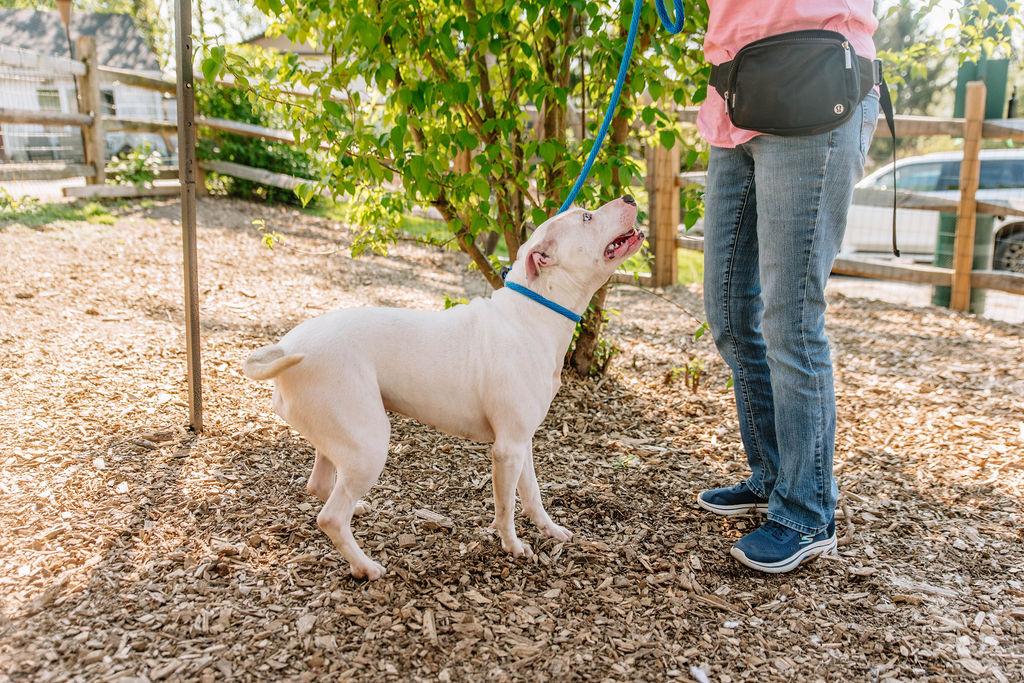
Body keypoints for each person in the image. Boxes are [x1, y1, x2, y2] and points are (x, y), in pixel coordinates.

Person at [694, 1, 881, 573]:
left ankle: (807, 510)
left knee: (791, 320)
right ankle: (775, 475)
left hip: (812, 88)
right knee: (728, 311)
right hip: (735, 101)